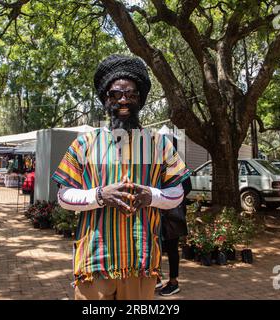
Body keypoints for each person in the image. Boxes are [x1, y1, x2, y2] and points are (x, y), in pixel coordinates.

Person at [52, 54, 190, 300]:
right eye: (116, 94)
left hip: (142, 259)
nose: (124, 100)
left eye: (131, 94)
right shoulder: (85, 143)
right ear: (106, 98)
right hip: (95, 260)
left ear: (140, 99)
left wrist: (152, 196)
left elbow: (177, 193)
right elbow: (63, 196)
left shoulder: (159, 144)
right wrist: (100, 195)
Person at [157, 178, 192, 296]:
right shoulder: (156, 163)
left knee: (172, 249)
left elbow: (187, 187)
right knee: (155, 247)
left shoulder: (177, 165)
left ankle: (173, 282)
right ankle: (155, 277)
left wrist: (169, 199)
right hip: (157, 212)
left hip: (172, 213)